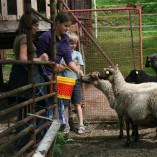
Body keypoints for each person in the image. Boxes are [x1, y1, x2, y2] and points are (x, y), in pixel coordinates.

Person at [8, 13, 49, 151]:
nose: (37, 28)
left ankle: (26, 144)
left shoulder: (20, 37)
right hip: (25, 81)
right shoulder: (25, 37)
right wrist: (41, 59)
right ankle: (21, 146)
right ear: (29, 26)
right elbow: (23, 58)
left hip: (21, 80)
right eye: (36, 25)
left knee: (25, 114)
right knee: (30, 113)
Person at [36, 11, 84, 119]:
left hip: (55, 74)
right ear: (57, 23)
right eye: (65, 26)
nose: (67, 29)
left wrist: (77, 70)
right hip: (44, 74)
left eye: (69, 26)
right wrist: (50, 64)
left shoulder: (65, 39)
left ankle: (58, 126)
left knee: (57, 101)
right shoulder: (46, 37)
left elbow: (68, 60)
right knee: (46, 102)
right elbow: (39, 58)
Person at [59, 31, 85, 134]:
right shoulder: (61, 55)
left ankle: (81, 124)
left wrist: (73, 65)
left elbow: (79, 67)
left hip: (75, 82)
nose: (73, 45)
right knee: (65, 105)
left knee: (77, 103)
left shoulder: (77, 54)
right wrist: (67, 65)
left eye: (74, 43)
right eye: (70, 43)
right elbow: (59, 68)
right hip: (64, 81)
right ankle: (66, 125)